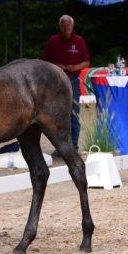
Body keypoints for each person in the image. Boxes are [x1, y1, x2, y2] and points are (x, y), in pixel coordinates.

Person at [42, 14, 90, 152]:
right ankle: (61, 146)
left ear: (72, 26)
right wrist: (56, 65)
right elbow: (43, 61)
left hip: (73, 80)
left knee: (73, 113)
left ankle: (73, 146)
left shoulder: (79, 41)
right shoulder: (53, 41)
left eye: (68, 24)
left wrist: (75, 67)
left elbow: (86, 61)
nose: (66, 27)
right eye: (64, 24)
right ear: (60, 26)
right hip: (55, 82)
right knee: (57, 115)